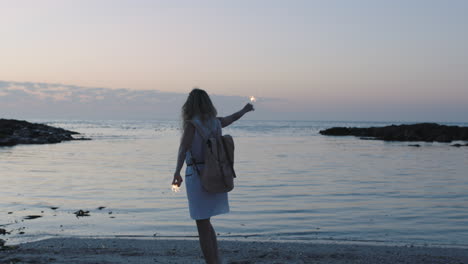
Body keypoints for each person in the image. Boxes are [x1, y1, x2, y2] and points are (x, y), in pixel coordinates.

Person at [172, 88, 254, 264]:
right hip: (215, 173)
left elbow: (183, 149)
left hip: (197, 175)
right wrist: (245, 110)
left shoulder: (192, 124)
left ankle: (211, 262)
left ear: (190, 105)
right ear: (208, 103)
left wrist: (176, 173)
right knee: (206, 222)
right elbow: (231, 118)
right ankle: (215, 259)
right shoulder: (216, 123)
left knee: (202, 223)